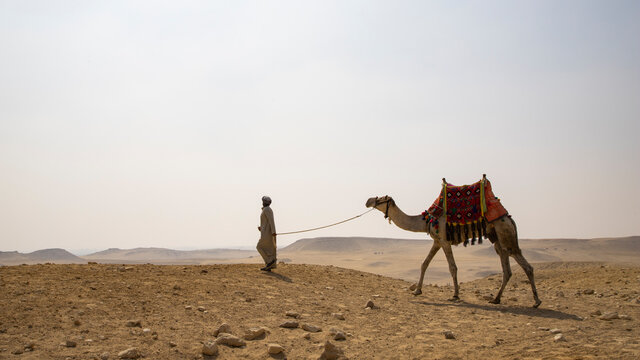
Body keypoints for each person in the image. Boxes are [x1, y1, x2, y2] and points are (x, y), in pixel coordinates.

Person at [257, 196, 277, 271]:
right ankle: (268, 266)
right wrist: (261, 228)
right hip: (265, 232)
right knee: (268, 249)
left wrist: (273, 232)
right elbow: (266, 222)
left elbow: (271, 221)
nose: (263, 202)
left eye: (264, 201)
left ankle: (269, 262)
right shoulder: (265, 210)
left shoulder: (267, 209)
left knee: (259, 247)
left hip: (267, 233)